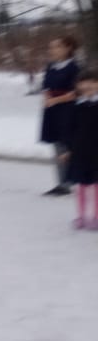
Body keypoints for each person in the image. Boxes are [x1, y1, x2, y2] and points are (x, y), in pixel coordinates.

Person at [40, 36, 81, 196]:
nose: (52, 50)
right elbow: (46, 86)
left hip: (68, 110)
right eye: (51, 47)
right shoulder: (51, 66)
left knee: (68, 146)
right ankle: (61, 182)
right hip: (52, 110)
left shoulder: (74, 68)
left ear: (68, 48)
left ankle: (72, 180)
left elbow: (76, 92)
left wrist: (55, 100)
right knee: (57, 145)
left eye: (56, 47)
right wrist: (47, 98)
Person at [64, 70, 98, 229]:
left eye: (93, 82)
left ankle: (96, 216)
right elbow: (69, 130)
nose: (88, 85)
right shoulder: (75, 107)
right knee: (81, 186)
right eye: (84, 82)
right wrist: (68, 149)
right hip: (80, 152)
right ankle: (81, 216)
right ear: (78, 86)